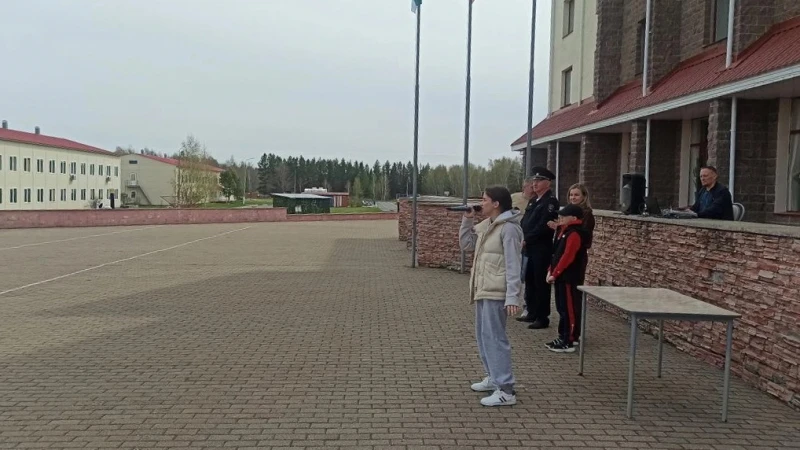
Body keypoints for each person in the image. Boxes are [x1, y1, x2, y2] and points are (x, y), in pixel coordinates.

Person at [459, 185, 524, 407]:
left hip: (497, 292)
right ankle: (493, 377)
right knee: (484, 336)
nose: (481, 203)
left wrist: (513, 296)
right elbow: (467, 244)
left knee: (496, 338)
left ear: (496, 203)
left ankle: (506, 389)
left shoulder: (509, 229)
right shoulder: (489, 226)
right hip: (483, 288)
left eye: (485, 199)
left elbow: (514, 265)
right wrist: (467, 220)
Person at [518, 167, 559, 330]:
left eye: (539, 180)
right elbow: (525, 221)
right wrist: (521, 236)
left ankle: (542, 317)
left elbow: (543, 226)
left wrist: (527, 238)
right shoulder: (534, 200)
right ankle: (532, 311)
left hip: (541, 248)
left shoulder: (550, 202)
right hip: (529, 247)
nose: (534, 183)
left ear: (548, 183)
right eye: (534, 180)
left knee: (540, 282)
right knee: (530, 280)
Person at [545, 204, 589, 353]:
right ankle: (563, 335)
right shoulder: (563, 231)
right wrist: (550, 270)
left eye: (564, 215)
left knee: (568, 308)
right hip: (561, 276)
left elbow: (568, 256)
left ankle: (568, 339)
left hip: (569, 277)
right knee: (561, 307)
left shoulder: (574, 233)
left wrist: (555, 273)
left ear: (574, 218)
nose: (561, 218)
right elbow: (556, 253)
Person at [548, 183, 594, 282]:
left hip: (576, 256)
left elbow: (583, 235)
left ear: (584, 196)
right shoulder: (567, 210)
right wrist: (559, 226)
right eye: (571, 195)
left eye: (576, 195)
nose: (573, 197)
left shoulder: (587, 214)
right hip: (561, 253)